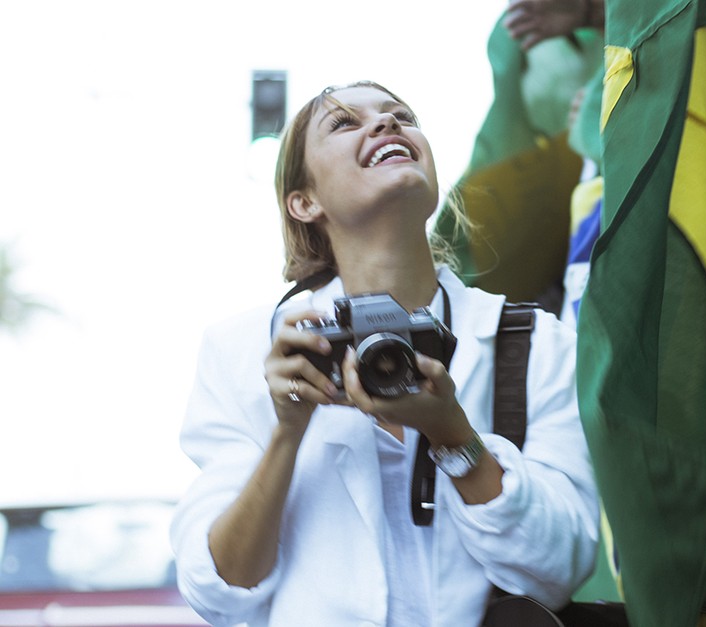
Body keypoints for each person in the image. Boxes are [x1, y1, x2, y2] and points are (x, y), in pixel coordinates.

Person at [169, 81, 599, 627]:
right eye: (345, 123)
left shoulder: (535, 343)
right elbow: (221, 591)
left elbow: (561, 566)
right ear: (305, 202)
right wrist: (287, 432)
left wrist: (453, 436)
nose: (388, 124)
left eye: (401, 116)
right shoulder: (246, 352)